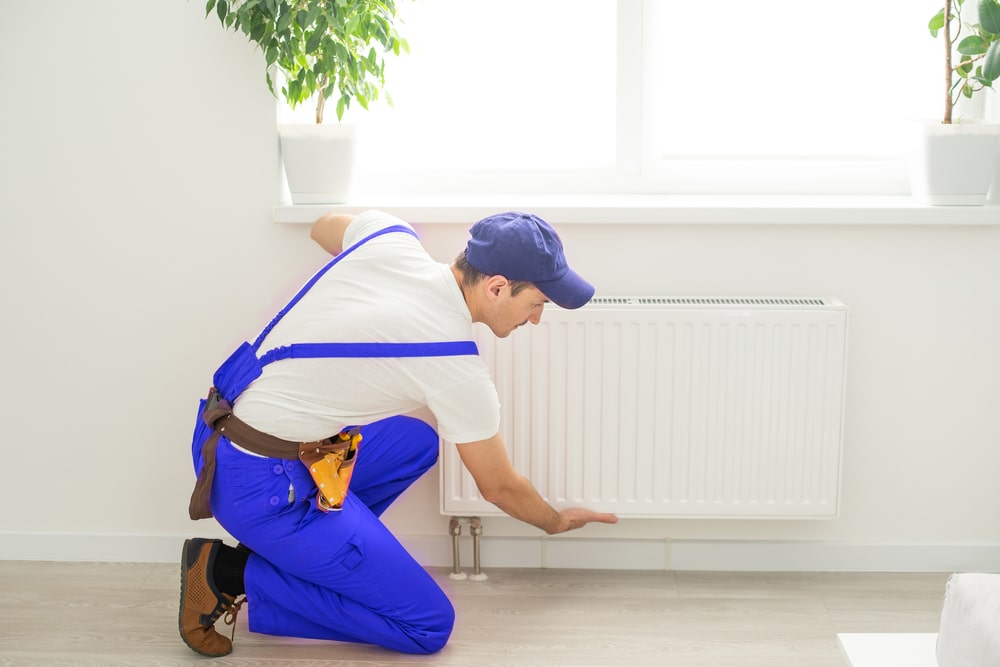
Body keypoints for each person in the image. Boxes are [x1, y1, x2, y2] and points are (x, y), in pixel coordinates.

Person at [179, 209, 618, 657]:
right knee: (427, 626)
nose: (538, 318)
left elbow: (324, 224)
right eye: (538, 303)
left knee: (417, 443)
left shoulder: (389, 237)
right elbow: (500, 487)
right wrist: (557, 522)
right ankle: (228, 572)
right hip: (258, 489)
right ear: (498, 287)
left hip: (220, 429)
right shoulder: (453, 366)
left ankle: (310, 553)